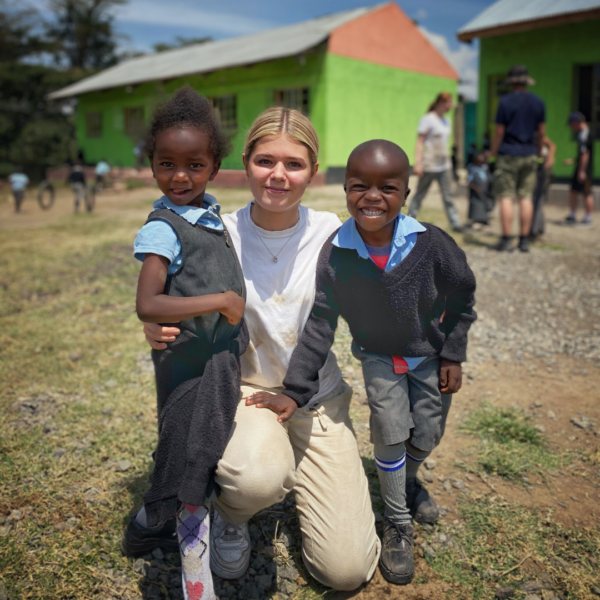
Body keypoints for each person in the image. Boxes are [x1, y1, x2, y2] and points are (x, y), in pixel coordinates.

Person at [139, 107, 380, 591]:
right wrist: (159, 328)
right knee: (255, 480)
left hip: (315, 399)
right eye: (265, 160)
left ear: (313, 171)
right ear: (245, 163)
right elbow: (164, 298)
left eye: (294, 164)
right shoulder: (215, 232)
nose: (278, 175)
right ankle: (232, 513)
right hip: (243, 393)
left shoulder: (332, 233)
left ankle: (302, 474)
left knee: (346, 570)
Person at [250, 140, 476, 585]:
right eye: (360, 186)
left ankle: (408, 481)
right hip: (379, 359)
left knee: (426, 433)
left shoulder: (432, 244)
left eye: (387, 188)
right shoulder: (338, 254)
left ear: (407, 194)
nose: (372, 196)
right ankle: (397, 521)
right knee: (390, 432)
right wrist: (295, 391)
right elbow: (319, 325)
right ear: (345, 190)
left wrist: (452, 352)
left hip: (430, 357)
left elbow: (461, 295)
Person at [127, 87, 246, 599]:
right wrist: (220, 299)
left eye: (194, 165)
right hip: (186, 361)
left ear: (214, 165)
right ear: (151, 164)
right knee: (184, 444)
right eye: (166, 164)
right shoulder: (162, 227)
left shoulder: (213, 215)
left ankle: (165, 515)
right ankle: (179, 541)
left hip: (219, 358)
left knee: (203, 443)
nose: (180, 177)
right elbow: (149, 304)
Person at [490, 65, 546, 252]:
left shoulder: (505, 102)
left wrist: (492, 152)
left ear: (512, 82)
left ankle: (506, 240)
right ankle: (523, 241)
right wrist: (538, 153)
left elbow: (499, 131)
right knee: (526, 197)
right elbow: (541, 132)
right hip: (529, 153)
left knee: (506, 196)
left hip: (508, 153)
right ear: (526, 81)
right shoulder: (538, 102)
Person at [408, 92, 463, 232]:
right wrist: (418, 163)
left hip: (444, 165)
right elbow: (419, 142)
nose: (450, 106)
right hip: (429, 164)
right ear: (440, 103)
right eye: (448, 103)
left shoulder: (446, 121)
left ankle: (455, 223)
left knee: (448, 196)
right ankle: (409, 220)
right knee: (420, 193)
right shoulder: (428, 119)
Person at [564, 112, 594, 227]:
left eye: (572, 125)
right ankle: (572, 215)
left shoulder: (584, 134)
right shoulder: (583, 133)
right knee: (573, 190)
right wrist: (573, 161)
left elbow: (585, 153)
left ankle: (588, 218)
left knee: (586, 192)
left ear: (575, 123)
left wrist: (582, 171)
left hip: (585, 170)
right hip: (581, 167)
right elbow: (583, 154)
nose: (572, 128)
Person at [530, 134, 556, 239]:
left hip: (541, 166)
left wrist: (549, 159)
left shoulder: (536, 134)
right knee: (534, 199)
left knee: (536, 198)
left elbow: (552, 145)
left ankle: (535, 229)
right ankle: (537, 228)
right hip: (533, 164)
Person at [467, 150, 494, 227]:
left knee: (487, 204)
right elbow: (469, 181)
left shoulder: (486, 168)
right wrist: (475, 187)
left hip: (485, 191)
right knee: (476, 206)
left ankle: (485, 219)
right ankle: (476, 220)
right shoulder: (472, 169)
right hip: (476, 192)